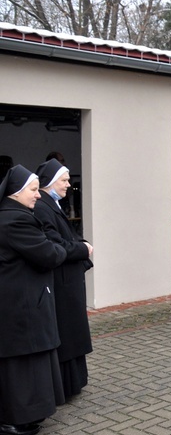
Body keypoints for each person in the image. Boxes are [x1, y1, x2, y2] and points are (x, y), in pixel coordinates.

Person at [0, 165, 67, 435]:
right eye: (32, 189)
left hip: (19, 303)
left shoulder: (13, 215)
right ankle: (12, 419)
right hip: (19, 306)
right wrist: (62, 248)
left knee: (23, 364)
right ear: (16, 192)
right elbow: (49, 254)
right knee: (20, 367)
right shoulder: (14, 220)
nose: (38, 195)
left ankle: (22, 415)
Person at [34, 159, 94, 401]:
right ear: (50, 182)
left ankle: (74, 382)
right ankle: (66, 385)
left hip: (68, 278)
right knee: (67, 333)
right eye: (64, 180)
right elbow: (54, 244)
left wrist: (81, 245)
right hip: (61, 281)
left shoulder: (52, 204)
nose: (69, 184)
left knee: (73, 332)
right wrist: (83, 249)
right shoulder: (43, 208)